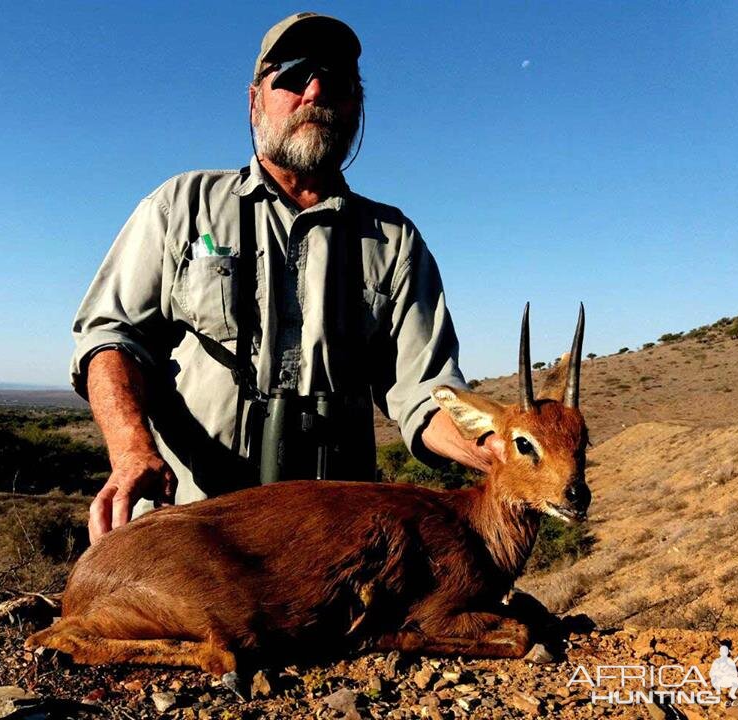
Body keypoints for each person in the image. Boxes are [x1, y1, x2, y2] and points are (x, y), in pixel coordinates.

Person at [72, 12, 504, 544]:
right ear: (255, 100)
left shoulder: (394, 239)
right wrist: (131, 450)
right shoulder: (179, 206)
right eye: (294, 78)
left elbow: (426, 393)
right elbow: (109, 339)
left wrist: (500, 447)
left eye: (338, 82)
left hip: (330, 546)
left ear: (356, 107)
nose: (316, 91)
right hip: (192, 532)